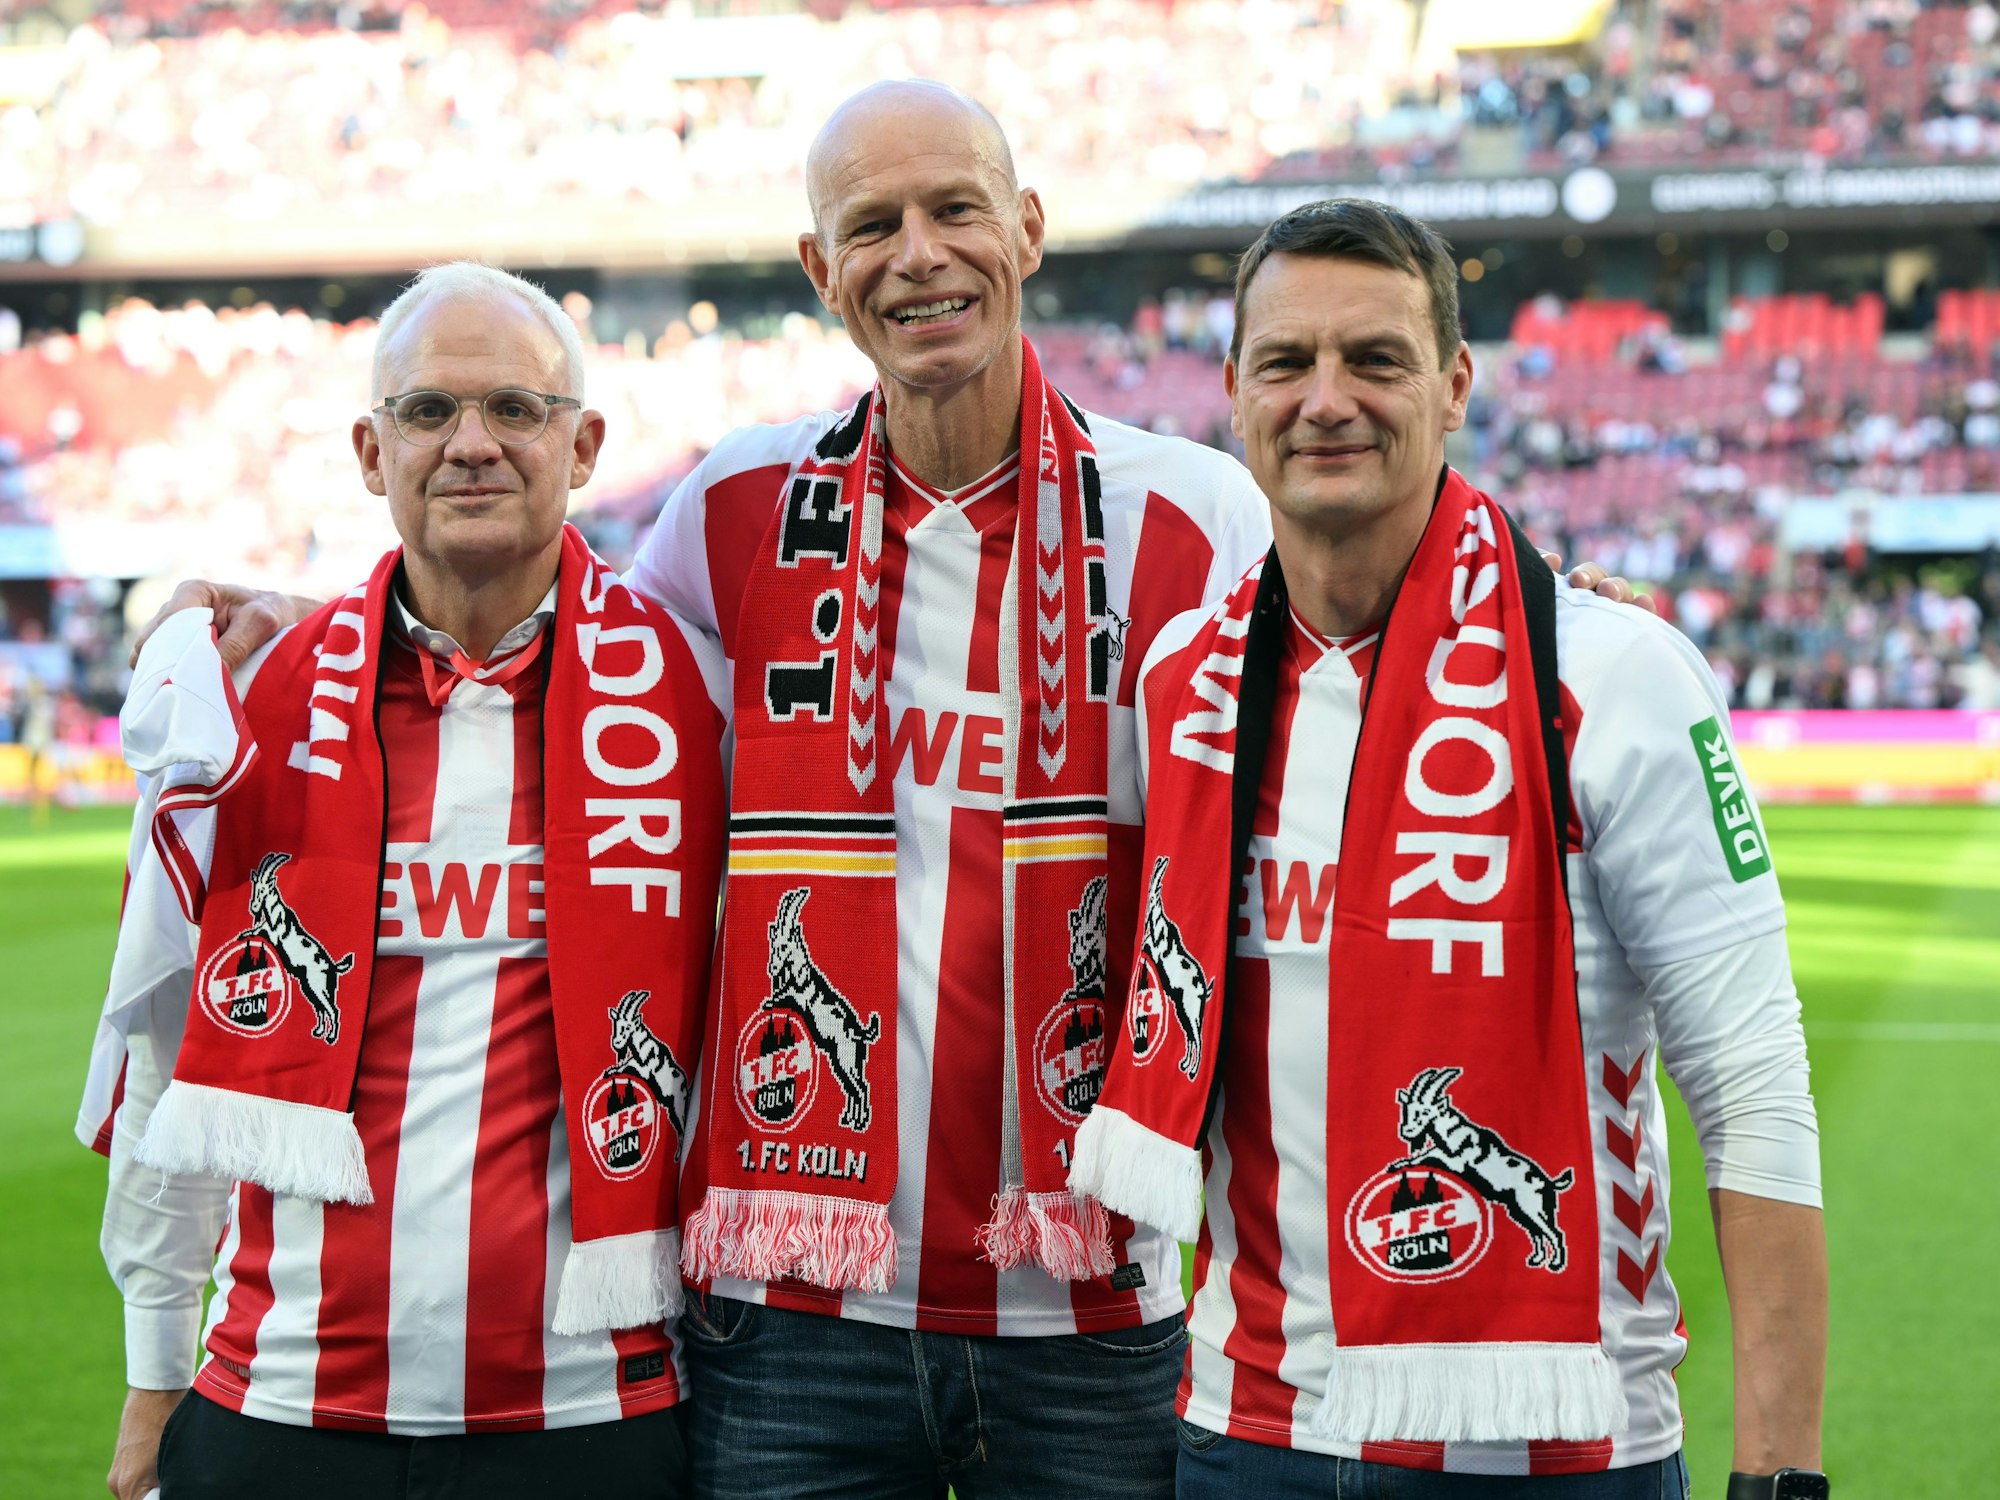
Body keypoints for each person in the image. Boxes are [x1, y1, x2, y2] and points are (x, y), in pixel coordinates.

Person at [130, 86, 1638, 1500]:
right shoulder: (729, 509)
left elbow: (1362, 618)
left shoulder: (1196, 509)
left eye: (954, 209)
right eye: (870, 228)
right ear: (819, 269)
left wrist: (1527, 607)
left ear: (1027, 230)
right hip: (793, 1316)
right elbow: (540, 621)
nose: (919, 256)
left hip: (1091, 1306)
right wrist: (302, 617)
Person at [1070, 198, 1829, 1500]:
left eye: (1374, 359)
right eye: (1285, 363)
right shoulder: (1180, 687)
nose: (1327, 400)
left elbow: (1751, 1092)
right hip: (1251, 1437)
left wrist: (1780, 1478)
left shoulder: (1613, 674)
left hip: (1555, 1445)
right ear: (1236, 394)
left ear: (1456, 384)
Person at [82, 263, 727, 1500]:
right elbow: (172, 1052)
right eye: (428, 413)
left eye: (514, 410)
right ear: (372, 452)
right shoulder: (251, 703)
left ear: (583, 445)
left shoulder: (699, 702)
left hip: (589, 1413)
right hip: (281, 1401)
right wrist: (153, 1367)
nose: (470, 445)